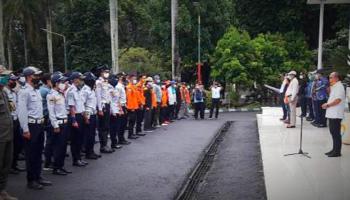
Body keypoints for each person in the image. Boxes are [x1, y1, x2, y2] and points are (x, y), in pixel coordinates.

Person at [18, 66, 52, 190]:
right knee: (31, 154)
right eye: (35, 75)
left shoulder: (36, 90)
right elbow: (22, 112)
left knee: (38, 153)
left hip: (39, 124)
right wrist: (25, 129)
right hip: (31, 126)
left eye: (38, 75)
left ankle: (38, 176)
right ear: (28, 77)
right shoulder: (24, 91)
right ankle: (31, 180)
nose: (38, 77)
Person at [47, 73, 72, 175]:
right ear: (56, 83)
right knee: (58, 147)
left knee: (63, 146)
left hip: (64, 122)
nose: (64, 84)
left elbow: (64, 108)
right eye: (62, 82)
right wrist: (55, 125)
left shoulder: (61, 93)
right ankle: (56, 168)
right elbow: (51, 111)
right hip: (58, 124)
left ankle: (61, 166)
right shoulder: (51, 95)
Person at [0, 66, 18, 199]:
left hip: (8, 135)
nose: (7, 78)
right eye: (3, 76)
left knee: (6, 166)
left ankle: (2, 192)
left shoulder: (4, 92)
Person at [3, 74, 25, 175]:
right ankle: (9, 167)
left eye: (15, 80)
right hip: (8, 121)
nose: (14, 82)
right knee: (8, 147)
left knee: (18, 145)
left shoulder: (14, 92)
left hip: (16, 120)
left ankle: (14, 165)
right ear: (7, 81)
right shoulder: (4, 92)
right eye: (12, 80)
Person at [67, 72, 89, 167]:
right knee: (75, 140)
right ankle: (76, 160)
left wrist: (85, 116)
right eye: (80, 79)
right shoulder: (71, 91)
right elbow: (71, 107)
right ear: (75, 80)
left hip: (81, 115)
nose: (82, 81)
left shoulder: (78, 90)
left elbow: (81, 105)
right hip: (75, 116)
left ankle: (79, 158)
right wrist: (74, 120)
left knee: (80, 139)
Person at [322, 72, 346, 157]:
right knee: (333, 132)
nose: (329, 79)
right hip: (332, 113)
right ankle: (334, 149)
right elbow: (333, 98)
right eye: (329, 78)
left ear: (336, 78)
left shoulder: (339, 87)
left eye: (331, 77)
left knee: (336, 133)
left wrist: (327, 105)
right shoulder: (335, 87)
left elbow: (338, 100)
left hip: (336, 114)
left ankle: (337, 152)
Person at [81, 72, 101, 160]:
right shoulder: (85, 91)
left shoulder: (91, 89)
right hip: (88, 115)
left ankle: (91, 151)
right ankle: (88, 153)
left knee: (92, 135)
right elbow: (83, 105)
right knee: (88, 135)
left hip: (93, 114)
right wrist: (86, 117)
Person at [95, 65, 114, 153]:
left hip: (107, 105)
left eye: (107, 72)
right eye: (105, 72)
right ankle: (103, 146)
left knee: (106, 126)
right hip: (102, 106)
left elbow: (109, 95)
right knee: (103, 127)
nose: (107, 73)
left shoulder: (106, 82)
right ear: (101, 72)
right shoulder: (98, 82)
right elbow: (98, 96)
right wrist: (99, 109)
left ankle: (105, 145)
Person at [40, 73, 54, 171]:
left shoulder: (44, 89)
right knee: (49, 140)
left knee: (48, 140)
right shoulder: (46, 91)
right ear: (48, 81)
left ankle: (48, 161)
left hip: (45, 116)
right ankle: (47, 162)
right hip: (46, 116)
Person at [115, 73, 130, 145]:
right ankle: (120, 139)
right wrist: (120, 109)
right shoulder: (118, 86)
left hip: (124, 105)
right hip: (120, 106)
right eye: (122, 76)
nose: (124, 77)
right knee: (121, 124)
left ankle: (122, 138)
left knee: (124, 123)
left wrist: (125, 105)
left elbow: (123, 97)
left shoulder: (122, 86)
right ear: (119, 78)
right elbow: (117, 99)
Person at [109, 76, 123, 150]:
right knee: (113, 128)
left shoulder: (116, 89)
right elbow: (110, 101)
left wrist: (120, 109)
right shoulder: (109, 90)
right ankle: (113, 143)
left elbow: (118, 100)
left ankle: (115, 142)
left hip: (117, 109)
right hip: (113, 111)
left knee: (117, 127)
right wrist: (113, 111)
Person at [126, 74, 140, 140]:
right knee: (131, 121)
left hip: (135, 106)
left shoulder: (134, 87)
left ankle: (132, 133)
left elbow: (136, 97)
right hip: (132, 108)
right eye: (133, 78)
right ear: (130, 79)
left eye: (135, 79)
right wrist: (132, 108)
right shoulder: (129, 87)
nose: (135, 80)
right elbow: (129, 99)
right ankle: (130, 135)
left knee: (133, 121)